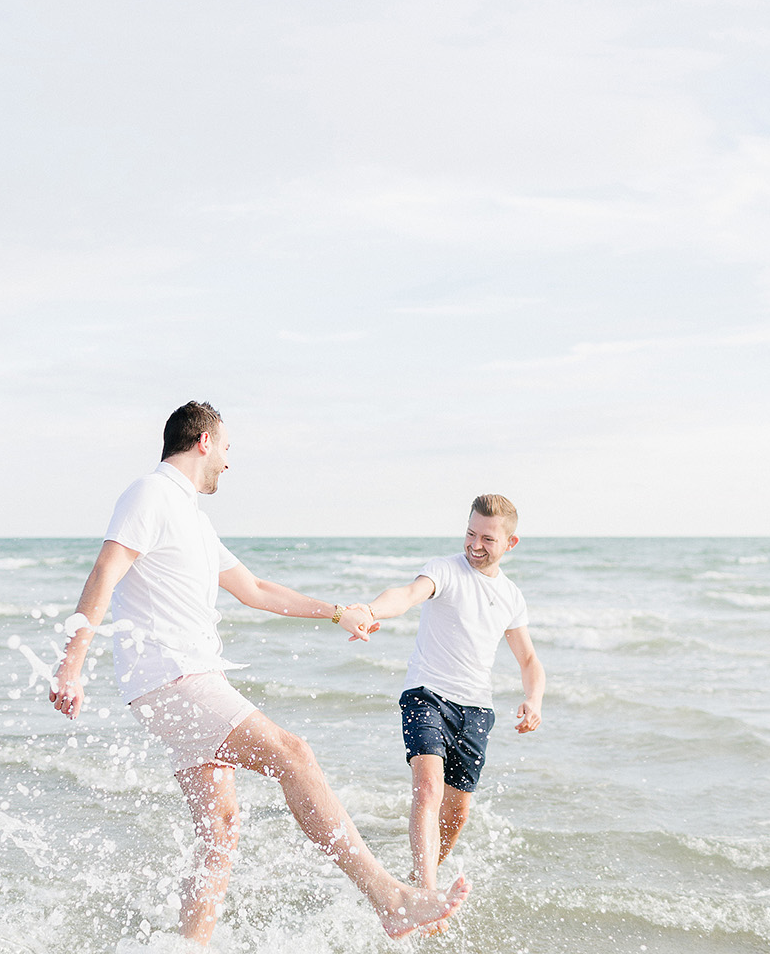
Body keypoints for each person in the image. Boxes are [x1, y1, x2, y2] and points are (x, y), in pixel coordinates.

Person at [50, 401, 469, 947]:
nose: (228, 461)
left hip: (183, 681)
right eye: (226, 448)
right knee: (294, 754)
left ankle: (188, 945)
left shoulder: (193, 520)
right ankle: (389, 899)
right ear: (203, 441)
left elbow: (256, 590)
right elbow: (105, 571)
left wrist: (339, 611)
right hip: (173, 678)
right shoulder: (149, 494)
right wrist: (71, 663)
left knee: (220, 830)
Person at [363, 494, 545, 897]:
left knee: (458, 811)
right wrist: (371, 610)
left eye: (487, 539)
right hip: (427, 694)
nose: (475, 545)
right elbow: (407, 595)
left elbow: (529, 659)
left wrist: (534, 699)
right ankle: (427, 892)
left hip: (477, 710)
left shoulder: (512, 597)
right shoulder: (443, 570)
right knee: (428, 787)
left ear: (510, 543)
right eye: (470, 533)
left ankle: (417, 879)